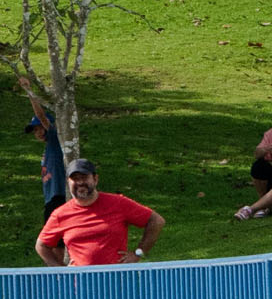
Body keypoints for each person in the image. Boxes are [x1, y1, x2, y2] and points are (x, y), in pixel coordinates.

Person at [36, 160, 164, 267]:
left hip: (118, 281)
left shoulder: (118, 203)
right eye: (75, 179)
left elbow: (156, 221)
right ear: (68, 182)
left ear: (95, 179)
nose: (80, 182)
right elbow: (41, 246)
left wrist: (138, 253)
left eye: (84, 177)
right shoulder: (60, 214)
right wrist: (61, 271)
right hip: (81, 284)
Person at [19, 76, 66, 222]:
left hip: (59, 196)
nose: (38, 132)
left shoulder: (55, 139)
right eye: (35, 130)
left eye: (40, 128)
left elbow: (41, 115)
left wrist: (28, 90)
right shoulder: (48, 147)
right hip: (50, 199)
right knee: (53, 243)